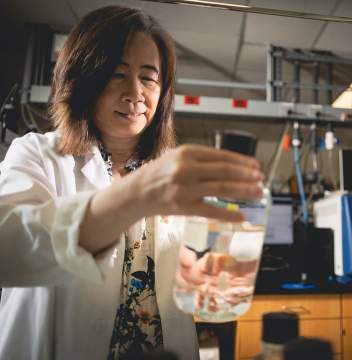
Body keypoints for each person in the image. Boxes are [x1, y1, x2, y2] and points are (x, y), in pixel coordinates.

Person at [0, 6, 263, 360]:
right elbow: (8, 248)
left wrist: (197, 273)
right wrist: (133, 196)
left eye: (149, 77)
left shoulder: (169, 173)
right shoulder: (37, 154)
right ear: (84, 80)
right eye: (117, 74)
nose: (136, 92)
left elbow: (175, 265)